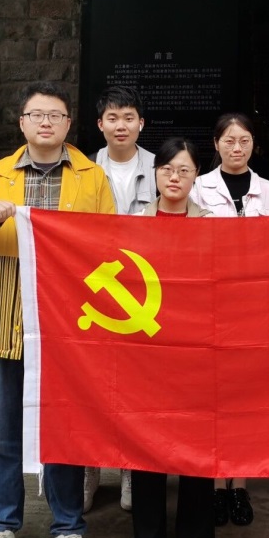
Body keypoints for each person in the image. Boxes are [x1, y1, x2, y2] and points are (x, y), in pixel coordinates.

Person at [0, 82, 116, 538]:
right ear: (21, 123)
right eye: (36, 114)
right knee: (1, 428)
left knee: (63, 426)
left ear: (68, 124)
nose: (45, 122)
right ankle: (1, 525)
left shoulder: (91, 176)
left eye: (55, 115)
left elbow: (110, 241)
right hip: (8, 315)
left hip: (67, 319)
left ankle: (68, 528)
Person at [190, 112, 269, 526]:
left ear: (253, 144)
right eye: (229, 140)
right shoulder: (198, 187)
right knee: (213, 398)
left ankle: (240, 484)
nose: (237, 147)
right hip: (211, 304)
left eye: (244, 140)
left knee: (246, 398)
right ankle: (214, 485)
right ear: (216, 144)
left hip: (255, 306)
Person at [130, 137, 215, 538]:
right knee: (148, 443)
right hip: (147, 353)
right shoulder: (133, 224)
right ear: (155, 173)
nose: (175, 177)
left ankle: (192, 537)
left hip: (198, 352)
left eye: (184, 169)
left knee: (197, 444)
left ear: (196, 174)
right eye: (167, 169)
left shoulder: (214, 226)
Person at [87, 85, 155, 514]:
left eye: (129, 117)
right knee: (92, 384)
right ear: (100, 124)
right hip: (95, 289)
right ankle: (90, 469)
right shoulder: (83, 169)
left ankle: (132, 469)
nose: (121, 125)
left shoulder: (160, 166)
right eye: (112, 118)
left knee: (136, 388)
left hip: (146, 290)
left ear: (141, 123)